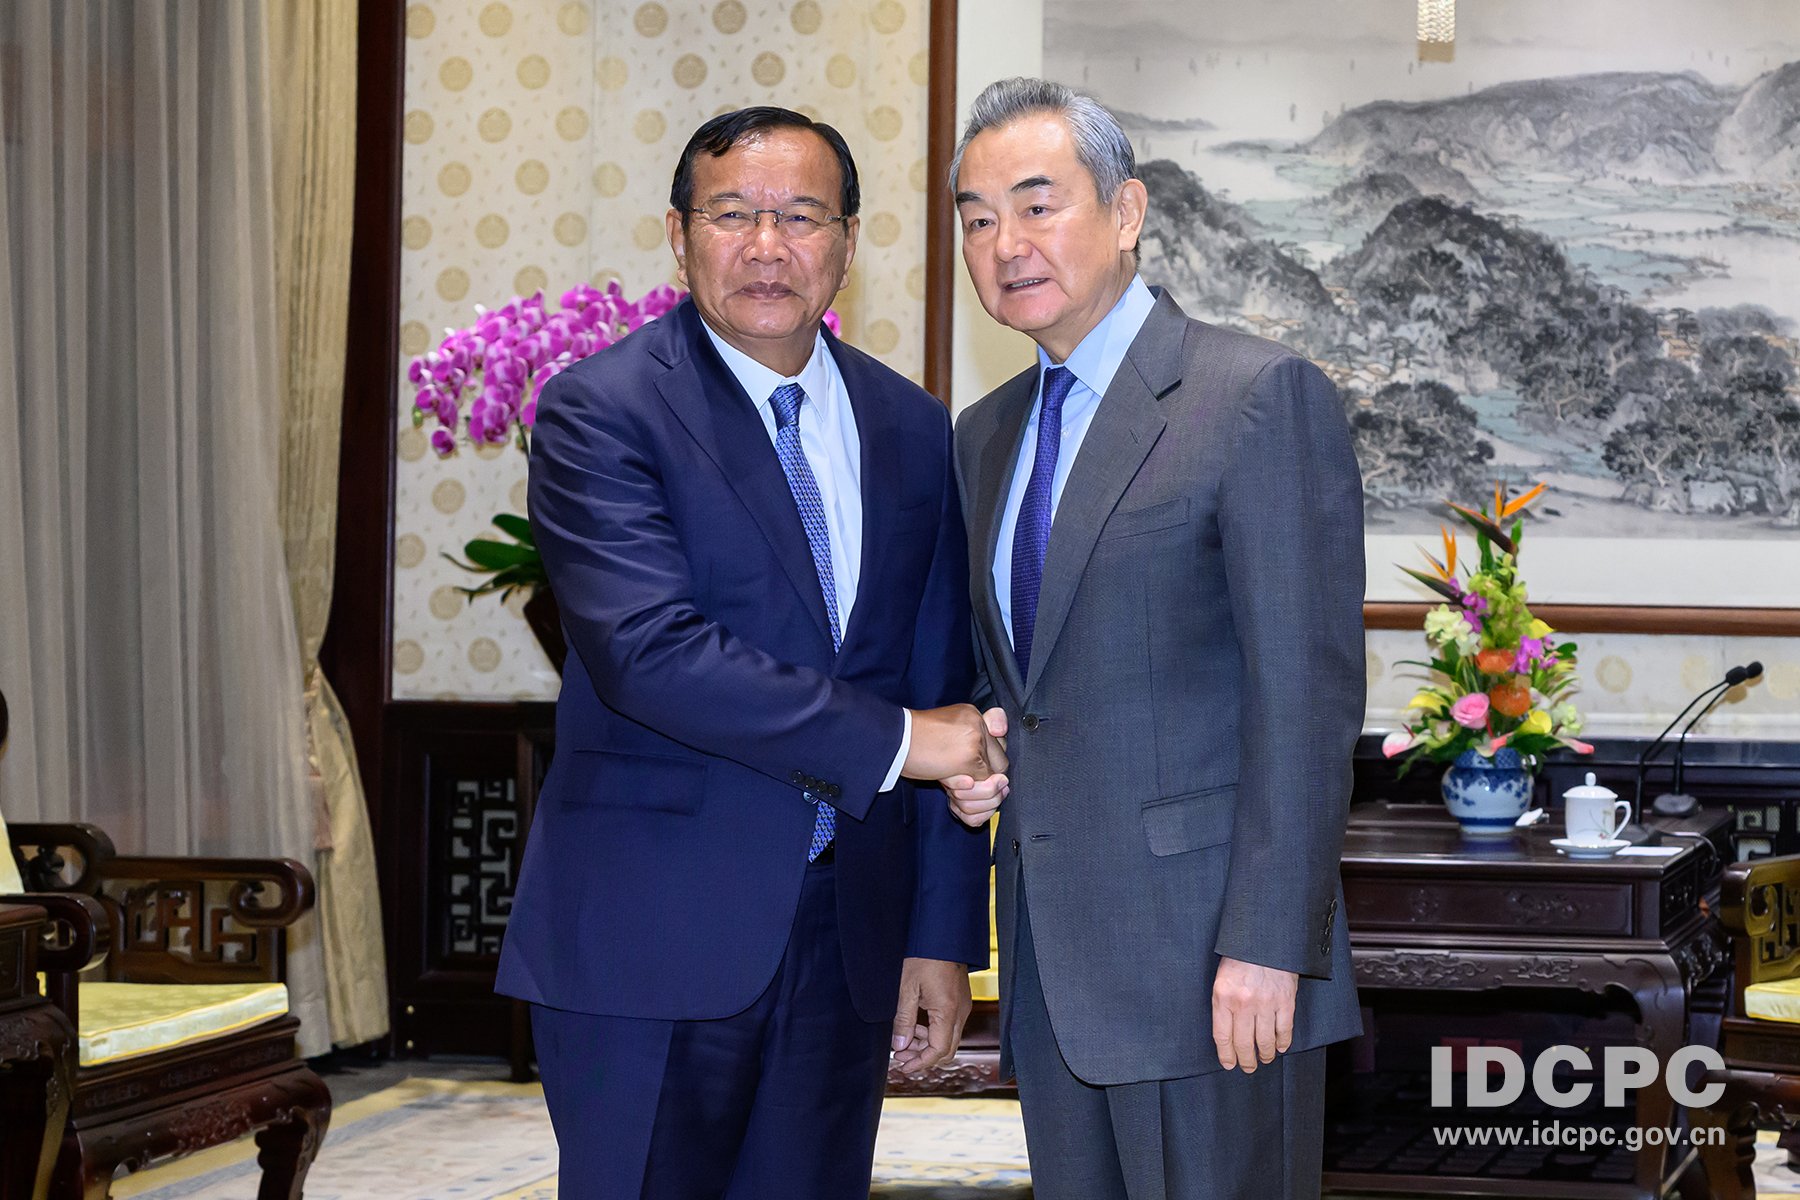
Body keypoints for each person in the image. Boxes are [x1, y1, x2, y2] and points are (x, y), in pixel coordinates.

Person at [496, 106, 1000, 1199]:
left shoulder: (910, 427)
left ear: (848, 244)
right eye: (732, 214)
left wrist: (943, 937)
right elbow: (649, 652)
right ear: (678, 237)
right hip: (651, 940)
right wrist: (904, 742)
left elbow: (939, 678)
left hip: (849, 942)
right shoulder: (602, 410)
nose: (767, 246)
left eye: (801, 216)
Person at [942, 78, 1367, 1199]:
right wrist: (980, 752)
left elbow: (1306, 702)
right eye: (977, 218)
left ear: (1126, 213)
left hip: (1212, 969)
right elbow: (1024, 683)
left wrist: (1272, 944)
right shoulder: (984, 438)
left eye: (1038, 204)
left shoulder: (1257, 398)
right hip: (1051, 964)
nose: (1004, 243)